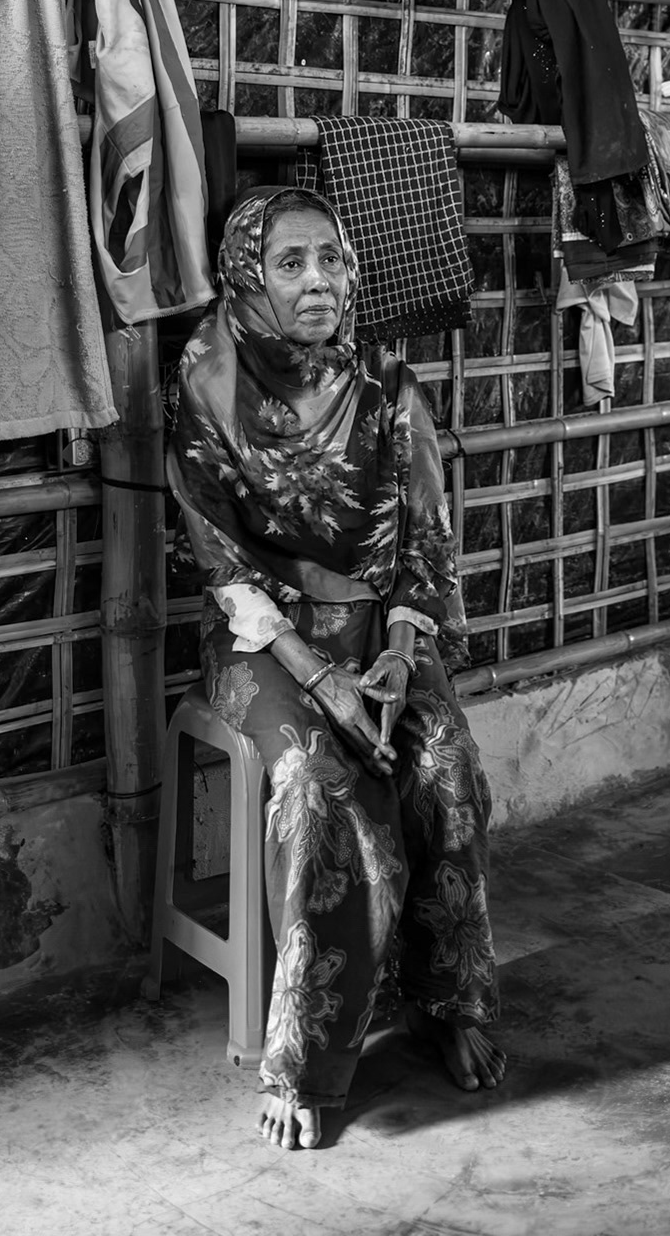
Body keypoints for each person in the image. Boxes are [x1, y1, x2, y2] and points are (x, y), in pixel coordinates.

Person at [167, 185, 504, 1151]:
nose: (319, 281)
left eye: (334, 260)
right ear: (246, 276)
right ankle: (313, 1061)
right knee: (321, 787)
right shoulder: (204, 380)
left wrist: (398, 656)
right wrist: (319, 678)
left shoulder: (390, 388)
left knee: (442, 761)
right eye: (291, 263)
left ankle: (452, 1001)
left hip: (381, 638)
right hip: (262, 643)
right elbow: (217, 560)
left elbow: (422, 549)